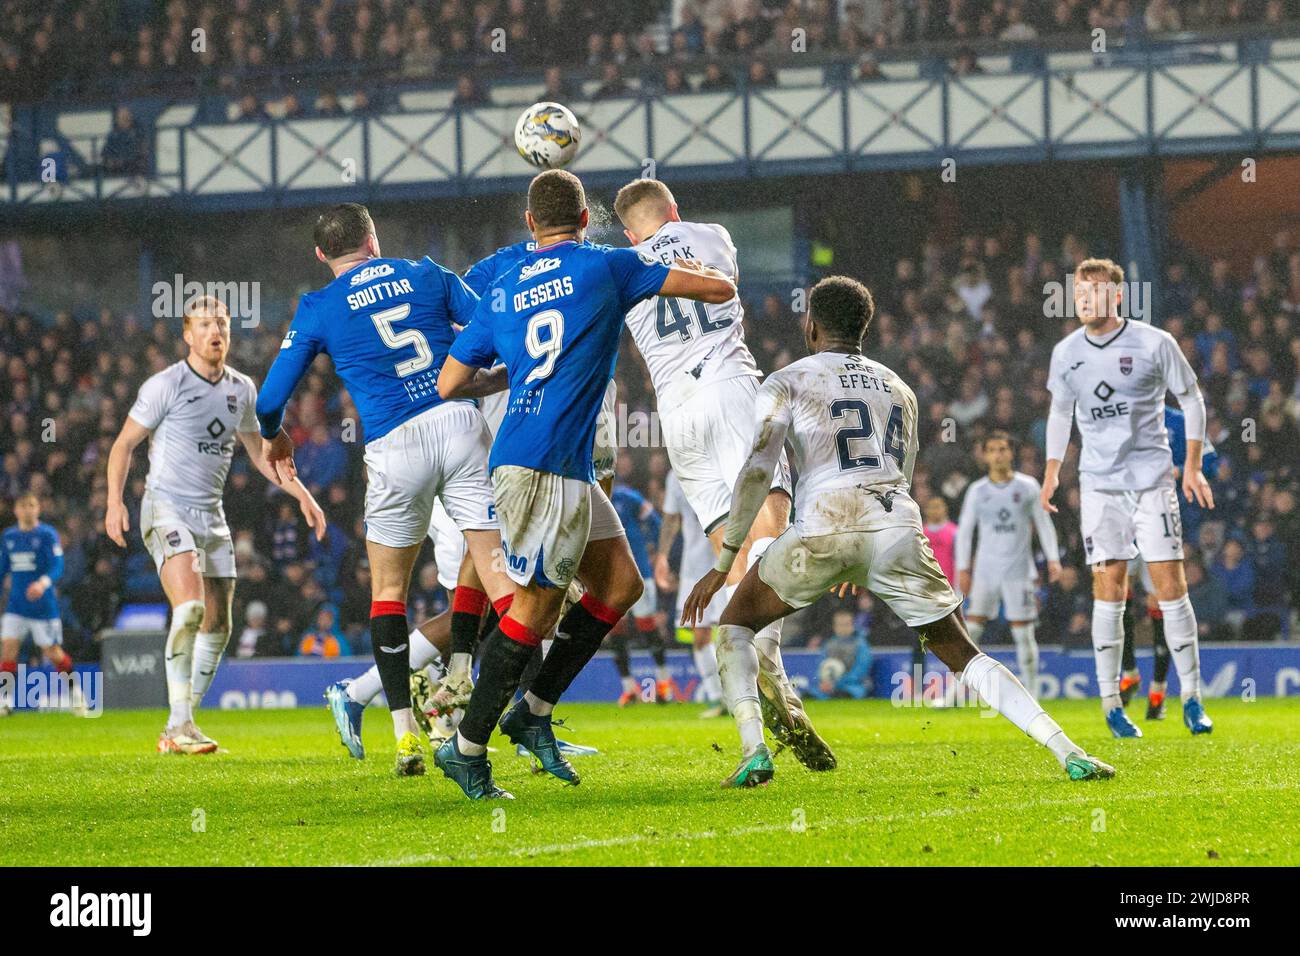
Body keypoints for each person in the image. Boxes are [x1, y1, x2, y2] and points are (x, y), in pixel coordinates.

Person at [684, 276, 1114, 788]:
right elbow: (904, 477)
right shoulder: (900, 389)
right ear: (863, 327)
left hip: (823, 525)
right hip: (894, 526)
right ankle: (1068, 751)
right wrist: (862, 557)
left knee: (733, 625)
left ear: (811, 325)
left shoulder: (786, 380)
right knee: (964, 654)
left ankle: (755, 748)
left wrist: (724, 559)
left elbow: (758, 470)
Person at [435, 169, 735, 799]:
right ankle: (466, 746)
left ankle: (533, 712)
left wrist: (512, 378)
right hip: (545, 466)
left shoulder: (507, 285)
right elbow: (714, 288)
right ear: (587, 219)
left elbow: (449, 381)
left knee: (623, 583)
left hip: (536, 454)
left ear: (529, 224)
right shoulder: (608, 266)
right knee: (536, 607)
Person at [258, 203, 516, 777]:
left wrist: (276, 438)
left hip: (394, 448)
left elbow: (269, 400)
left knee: (390, 593)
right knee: (505, 592)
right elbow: (494, 334)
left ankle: (403, 738)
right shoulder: (426, 273)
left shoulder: (319, 306)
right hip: (459, 427)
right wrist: (493, 376)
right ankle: (507, 723)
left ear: (322, 255)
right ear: (374, 239)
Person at [614, 178, 820, 766]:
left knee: (727, 562)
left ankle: (755, 736)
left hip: (675, 416)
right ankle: (775, 680)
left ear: (631, 231)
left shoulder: (621, 265)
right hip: (729, 389)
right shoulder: (714, 237)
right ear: (674, 209)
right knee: (769, 541)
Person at [105, 296, 326, 755]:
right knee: (189, 610)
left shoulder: (243, 389)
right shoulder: (164, 385)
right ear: (187, 335)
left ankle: (179, 725)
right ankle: (180, 725)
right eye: (205, 324)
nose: (215, 331)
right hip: (165, 507)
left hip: (212, 515)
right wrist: (114, 503)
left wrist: (303, 494)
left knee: (220, 625)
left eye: (222, 323)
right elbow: (124, 445)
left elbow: (260, 453)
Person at [1042, 258, 1215, 738]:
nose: (1083, 299)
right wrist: (1053, 469)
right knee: (1109, 588)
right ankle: (1112, 705)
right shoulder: (1067, 352)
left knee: (1170, 587)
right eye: (1078, 292)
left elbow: (1192, 399)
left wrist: (1194, 465)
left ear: (1118, 296)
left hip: (1152, 482)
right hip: (1099, 487)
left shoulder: (1154, 343)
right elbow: (1060, 411)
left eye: (1094, 292)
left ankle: (1193, 700)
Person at [1120, 405, 1219, 719]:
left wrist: (1181, 469)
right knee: (1116, 596)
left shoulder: (1180, 420)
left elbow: (1212, 460)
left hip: (1163, 520)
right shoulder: (1119, 415)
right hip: (1122, 519)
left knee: (1161, 602)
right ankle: (1129, 671)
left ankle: (1158, 692)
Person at [955, 430, 1060, 696]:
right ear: (985, 456)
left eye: (1003, 449)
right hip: (985, 572)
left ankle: (1033, 692)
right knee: (972, 631)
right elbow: (965, 531)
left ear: (1011, 453)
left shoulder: (1027, 486)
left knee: (1024, 634)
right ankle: (955, 692)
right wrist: (963, 569)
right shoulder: (977, 491)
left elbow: (1043, 524)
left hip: (1018, 572)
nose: (998, 454)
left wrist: (1053, 560)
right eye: (993, 450)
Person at [0, 492, 79, 715]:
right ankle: (4, 700)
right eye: (23, 506)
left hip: (43, 607)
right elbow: (2, 568)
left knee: (53, 653)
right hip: (15, 605)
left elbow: (57, 565)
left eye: (31, 505)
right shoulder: (9, 537)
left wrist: (42, 584)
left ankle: (75, 693)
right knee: (8, 650)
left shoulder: (47, 534)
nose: (27, 510)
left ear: (38, 509)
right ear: (16, 510)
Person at [658, 470, 724, 715]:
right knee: (700, 636)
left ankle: (743, 696)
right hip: (694, 567)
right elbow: (671, 518)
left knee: (734, 632)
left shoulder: (720, 459)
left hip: (728, 561)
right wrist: (662, 556)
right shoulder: (675, 474)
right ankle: (718, 698)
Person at [608, 481, 673, 705]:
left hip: (639, 572)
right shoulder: (588, 497)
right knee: (616, 630)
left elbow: (655, 522)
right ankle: (629, 689)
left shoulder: (626, 497)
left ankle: (664, 685)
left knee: (647, 626)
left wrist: (658, 552)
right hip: (609, 576)